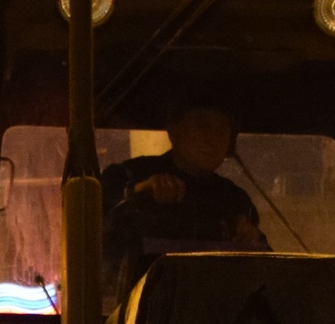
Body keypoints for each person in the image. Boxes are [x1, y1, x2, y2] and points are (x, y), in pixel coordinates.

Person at [101, 104, 265, 288]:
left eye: (223, 130)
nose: (212, 139)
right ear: (174, 132)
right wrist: (138, 191)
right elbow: (93, 207)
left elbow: (261, 267)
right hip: (133, 306)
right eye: (202, 126)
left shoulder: (235, 199)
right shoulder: (128, 174)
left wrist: (252, 238)